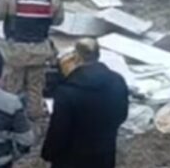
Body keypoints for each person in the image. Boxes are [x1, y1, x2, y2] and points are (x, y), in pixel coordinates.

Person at [0, 0, 63, 120]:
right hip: (40, 49)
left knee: (12, 88)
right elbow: (58, 20)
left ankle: (10, 118)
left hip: (16, 50)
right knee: (35, 89)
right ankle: (34, 122)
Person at [41, 38, 129, 168]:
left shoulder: (66, 92)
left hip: (71, 157)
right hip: (104, 152)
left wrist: (48, 153)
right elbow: (122, 114)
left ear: (77, 57)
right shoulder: (117, 81)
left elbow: (59, 130)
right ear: (98, 55)